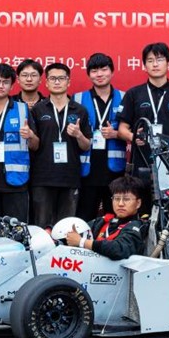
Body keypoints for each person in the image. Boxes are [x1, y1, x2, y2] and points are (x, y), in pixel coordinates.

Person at [116, 42, 169, 213]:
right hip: (142, 164)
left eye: (159, 60)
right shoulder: (134, 94)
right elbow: (122, 129)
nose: (155, 64)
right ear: (144, 65)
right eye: (150, 60)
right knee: (143, 212)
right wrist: (133, 137)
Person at [30, 63, 93, 228]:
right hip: (43, 178)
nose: (57, 82)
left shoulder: (80, 110)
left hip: (70, 177)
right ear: (46, 83)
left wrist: (79, 135)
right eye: (53, 78)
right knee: (42, 228)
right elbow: (34, 146)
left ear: (68, 82)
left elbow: (86, 146)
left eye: (61, 78)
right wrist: (29, 136)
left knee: (66, 230)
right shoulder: (37, 109)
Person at [0, 63, 39, 230]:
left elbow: (35, 145)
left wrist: (31, 135)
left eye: (5, 82)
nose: (1, 85)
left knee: (17, 235)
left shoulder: (22, 109)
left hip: (16, 183)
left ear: (12, 85)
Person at [73, 53, 126, 222]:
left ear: (112, 71)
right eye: (94, 71)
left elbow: (132, 130)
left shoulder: (125, 97)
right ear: (89, 74)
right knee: (84, 219)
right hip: (87, 171)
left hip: (115, 171)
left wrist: (116, 134)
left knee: (115, 219)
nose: (99, 74)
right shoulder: (77, 98)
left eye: (104, 69)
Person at [64, 176, 147, 261]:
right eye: (117, 199)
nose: (120, 204)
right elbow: (74, 234)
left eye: (126, 199)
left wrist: (82, 242)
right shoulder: (102, 221)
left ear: (138, 203)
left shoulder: (137, 226)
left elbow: (118, 249)